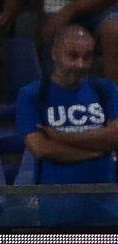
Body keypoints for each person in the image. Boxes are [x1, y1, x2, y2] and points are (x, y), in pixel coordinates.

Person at [16, 24, 118, 226]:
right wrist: (99, 150)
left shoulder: (106, 90)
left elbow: (116, 136)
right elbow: (41, 148)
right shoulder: (33, 94)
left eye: (87, 57)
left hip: (107, 209)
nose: (80, 64)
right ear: (55, 54)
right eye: (73, 56)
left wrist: (61, 137)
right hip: (57, 211)